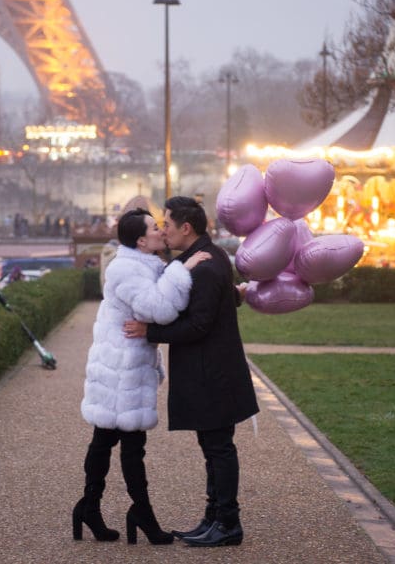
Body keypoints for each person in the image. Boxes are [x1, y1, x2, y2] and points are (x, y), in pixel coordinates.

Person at [124, 196, 259, 548]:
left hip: (212, 373)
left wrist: (149, 332)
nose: (163, 230)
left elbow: (197, 325)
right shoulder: (201, 258)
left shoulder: (206, 265)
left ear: (186, 228)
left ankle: (228, 523)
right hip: (209, 371)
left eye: (166, 224)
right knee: (213, 447)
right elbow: (214, 301)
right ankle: (214, 518)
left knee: (219, 448)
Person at [74, 208, 210, 546]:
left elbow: (155, 306)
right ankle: (139, 513)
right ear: (140, 239)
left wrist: (172, 271)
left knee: (107, 440)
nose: (161, 232)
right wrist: (184, 269)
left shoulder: (142, 264)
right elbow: (159, 309)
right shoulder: (126, 269)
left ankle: (90, 508)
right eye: (154, 228)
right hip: (121, 369)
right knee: (129, 445)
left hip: (123, 365)